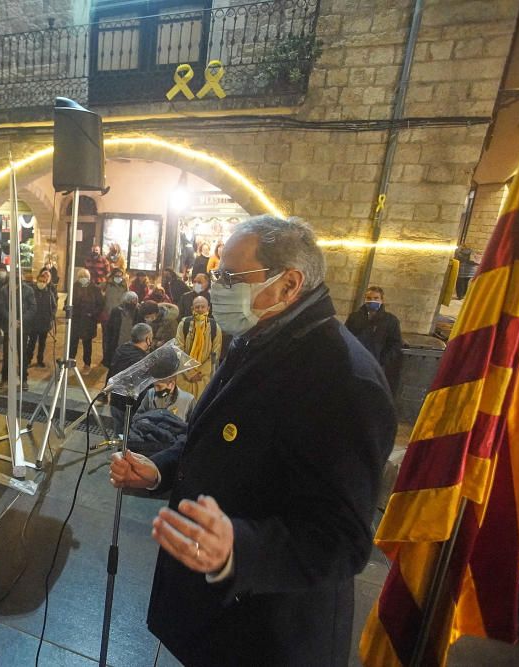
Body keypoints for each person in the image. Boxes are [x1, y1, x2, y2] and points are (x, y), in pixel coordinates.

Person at [108, 215, 396, 665]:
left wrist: (239, 549)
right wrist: (159, 470)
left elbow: (341, 540)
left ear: (288, 285)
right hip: (211, 617)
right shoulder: (257, 337)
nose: (217, 287)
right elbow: (211, 436)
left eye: (231, 277)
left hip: (266, 632)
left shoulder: (343, 379)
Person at [345, 286, 403, 392]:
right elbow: (346, 337)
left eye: (376, 298)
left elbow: (396, 343)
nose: (372, 301)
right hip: (355, 363)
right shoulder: (354, 317)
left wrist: (383, 360)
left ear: (382, 300)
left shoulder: (390, 321)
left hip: (377, 365)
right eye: (369, 298)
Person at [173, 295, 223, 399]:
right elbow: (178, 350)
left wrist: (200, 373)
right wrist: (190, 373)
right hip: (184, 376)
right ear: (192, 309)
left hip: (204, 377)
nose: (200, 309)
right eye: (197, 307)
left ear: (208, 308)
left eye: (202, 307)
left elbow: (215, 355)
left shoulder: (215, 327)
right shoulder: (184, 325)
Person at [105, 322, 152, 426]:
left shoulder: (121, 349)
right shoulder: (143, 361)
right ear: (148, 339)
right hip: (133, 408)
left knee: (119, 436)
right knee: (131, 439)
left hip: (116, 403)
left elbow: (111, 372)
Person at [70, 267, 103, 372]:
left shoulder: (95, 288)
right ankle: (71, 362)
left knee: (87, 343)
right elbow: (69, 301)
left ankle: (87, 364)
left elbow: (100, 304)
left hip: (88, 320)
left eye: (85, 277)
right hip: (76, 319)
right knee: (73, 342)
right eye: (81, 277)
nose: (83, 278)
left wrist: (93, 314)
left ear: (89, 277)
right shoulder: (74, 287)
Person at [26, 270, 57, 370]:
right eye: (40, 281)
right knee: (31, 343)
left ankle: (40, 360)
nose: (41, 283)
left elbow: (53, 306)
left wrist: (51, 317)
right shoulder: (32, 292)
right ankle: (27, 360)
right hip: (34, 323)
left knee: (42, 344)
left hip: (44, 323)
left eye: (43, 281)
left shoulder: (49, 293)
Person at [103, 290, 139, 368]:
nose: (133, 303)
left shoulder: (138, 312)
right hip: (118, 344)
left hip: (132, 346)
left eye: (135, 301)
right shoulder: (116, 311)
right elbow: (110, 329)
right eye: (131, 300)